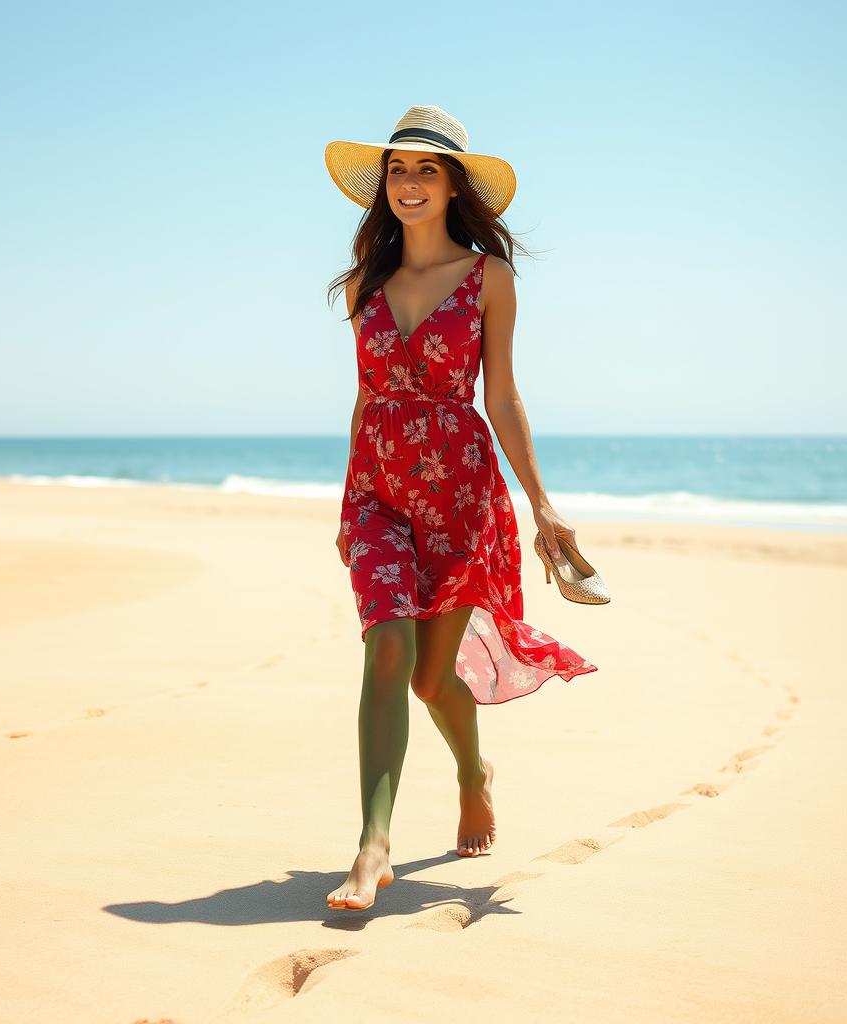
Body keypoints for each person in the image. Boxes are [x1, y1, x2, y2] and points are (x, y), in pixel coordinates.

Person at [323, 105, 603, 911]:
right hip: (379, 493)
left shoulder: (489, 278)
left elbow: (503, 395)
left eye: (427, 171)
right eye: (399, 171)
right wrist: (348, 504)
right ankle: (373, 846)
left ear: (452, 187)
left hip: (460, 493)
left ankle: (473, 771)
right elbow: (364, 399)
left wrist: (543, 507)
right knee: (386, 651)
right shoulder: (362, 285)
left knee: (432, 680)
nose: (409, 184)